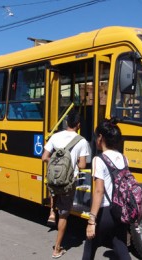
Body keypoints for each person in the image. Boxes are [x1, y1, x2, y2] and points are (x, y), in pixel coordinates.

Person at [42, 109, 91, 259]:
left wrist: (56, 164)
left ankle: (51, 212)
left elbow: (44, 157)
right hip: (68, 182)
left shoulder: (55, 136)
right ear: (78, 125)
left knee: (54, 189)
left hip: (53, 179)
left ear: (66, 123)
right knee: (63, 215)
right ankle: (57, 248)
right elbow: (82, 165)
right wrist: (70, 164)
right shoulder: (82, 141)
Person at [82, 118, 131, 260]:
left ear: (100, 138)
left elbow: (99, 191)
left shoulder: (99, 159)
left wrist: (92, 221)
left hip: (105, 212)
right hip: (120, 210)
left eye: (96, 136)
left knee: (89, 248)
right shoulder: (124, 158)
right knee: (120, 245)